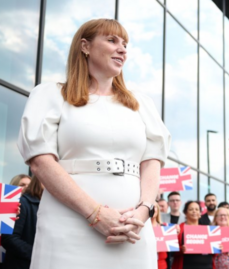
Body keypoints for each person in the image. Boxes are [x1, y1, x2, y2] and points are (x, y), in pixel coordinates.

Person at [17, 19, 171, 269]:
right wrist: (95, 214)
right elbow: (40, 162)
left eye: (125, 44)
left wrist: (144, 211)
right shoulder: (50, 95)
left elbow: (152, 162)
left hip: (132, 230)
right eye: (112, 41)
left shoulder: (141, 104)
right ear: (85, 46)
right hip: (68, 226)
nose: (122, 49)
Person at [1, 175, 43, 269]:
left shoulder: (43, 205)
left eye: (29, 184)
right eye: (22, 184)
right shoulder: (18, 203)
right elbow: (8, 238)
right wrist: (37, 254)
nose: (27, 187)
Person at [172, 201, 214, 269]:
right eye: (191, 209)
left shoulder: (207, 230)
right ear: (185, 213)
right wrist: (181, 250)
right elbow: (171, 251)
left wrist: (218, 247)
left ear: (200, 213)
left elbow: (213, 252)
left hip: (206, 266)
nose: (194, 211)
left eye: (197, 209)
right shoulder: (178, 229)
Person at [151, 203, 168, 269]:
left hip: (161, 264)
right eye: (150, 207)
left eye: (154, 207)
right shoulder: (141, 229)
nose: (152, 209)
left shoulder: (165, 228)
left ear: (158, 210)